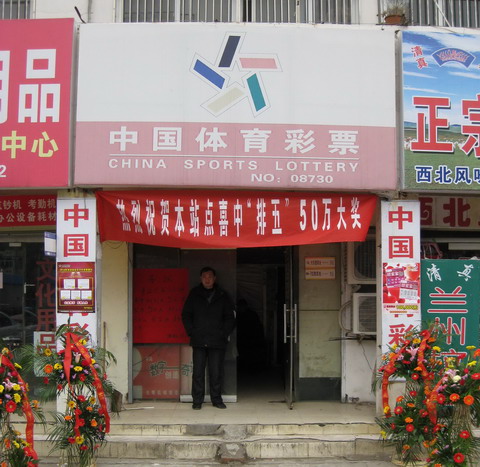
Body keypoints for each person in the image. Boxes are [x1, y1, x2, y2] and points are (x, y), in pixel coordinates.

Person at [181, 266, 236, 410]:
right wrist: (191, 332)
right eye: (204, 277)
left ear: (214, 278)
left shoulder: (222, 295)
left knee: (216, 372)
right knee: (198, 372)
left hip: (217, 341)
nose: (207, 279)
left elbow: (230, 317)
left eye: (210, 276)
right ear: (200, 278)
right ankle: (197, 401)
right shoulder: (194, 294)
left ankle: (216, 400)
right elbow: (186, 314)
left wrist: (223, 334)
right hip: (199, 340)